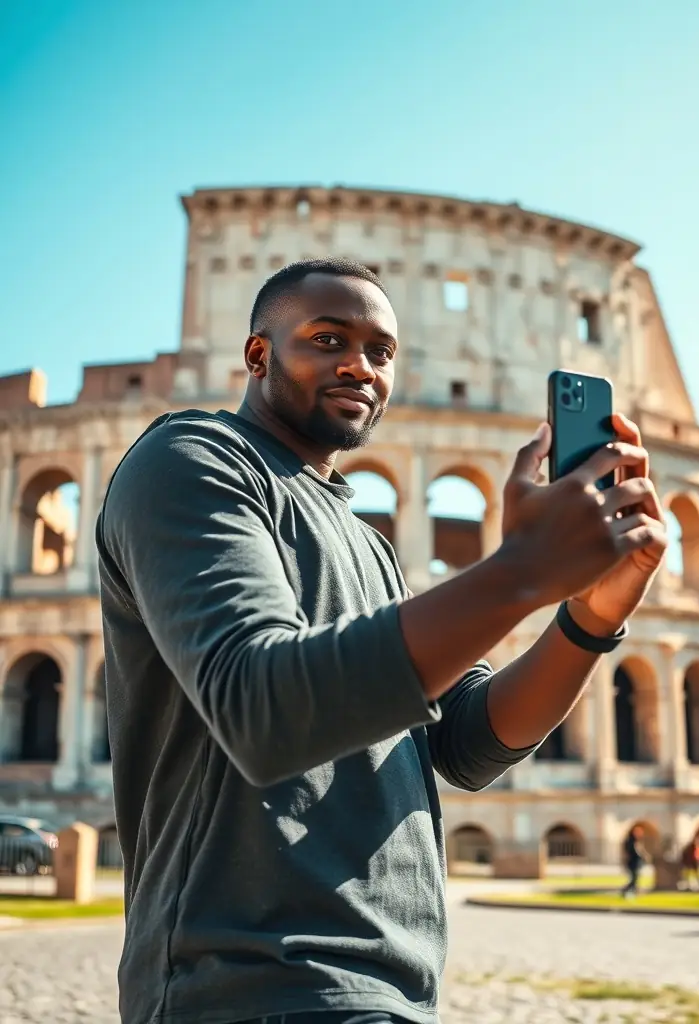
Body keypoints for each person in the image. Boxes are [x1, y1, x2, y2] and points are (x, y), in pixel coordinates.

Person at [96, 258, 667, 1024]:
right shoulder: (192, 459)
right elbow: (258, 705)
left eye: (383, 351)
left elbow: (468, 744)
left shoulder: (372, 548)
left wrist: (589, 619)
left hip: (392, 988)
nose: (361, 366)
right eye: (328, 339)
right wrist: (522, 572)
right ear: (258, 354)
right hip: (244, 980)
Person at [622, 825, 646, 898]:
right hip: (632, 862)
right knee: (634, 878)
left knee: (635, 878)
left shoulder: (635, 841)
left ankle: (634, 891)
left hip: (635, 862)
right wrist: (641, 856)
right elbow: (633, 852)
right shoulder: (631, 841)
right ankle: (626, 890)